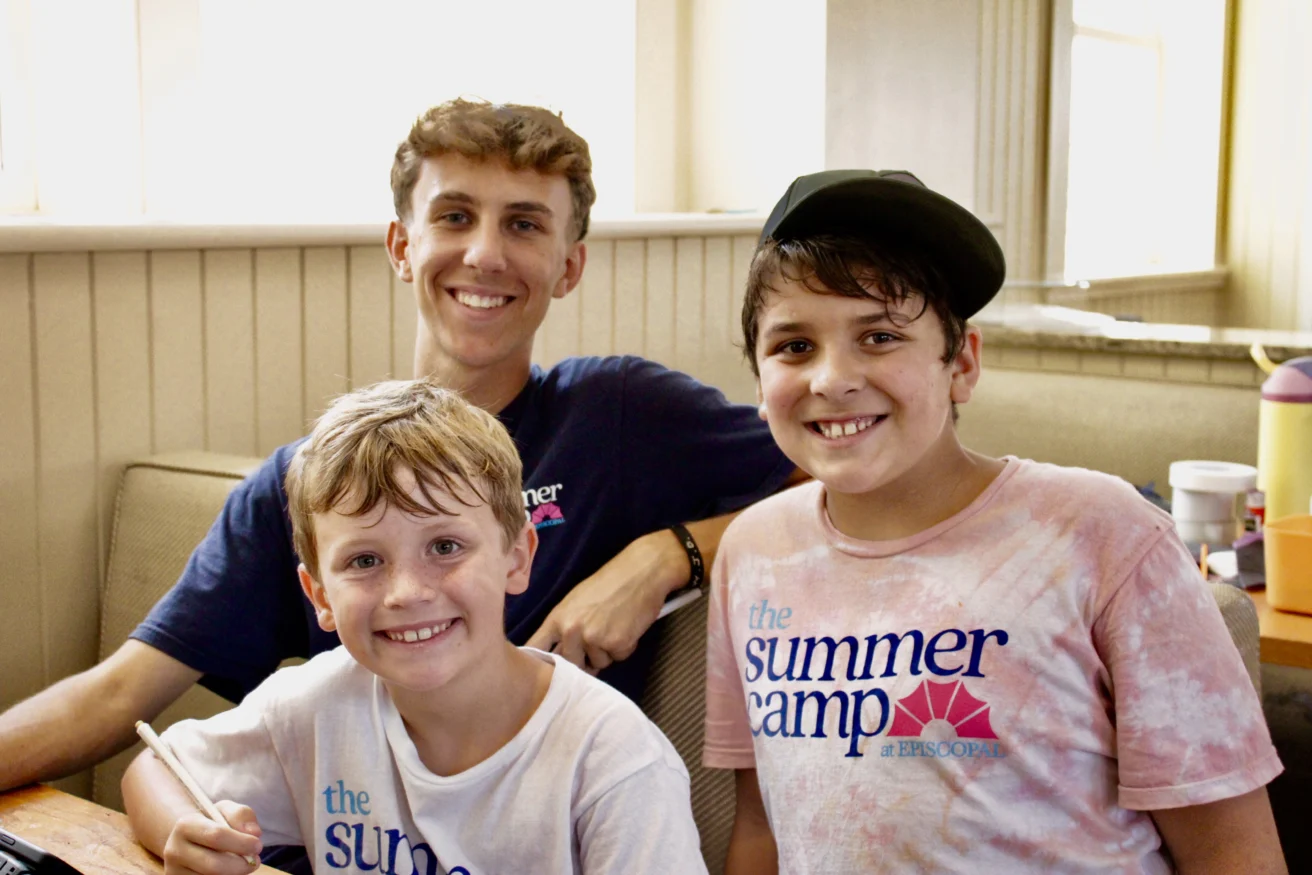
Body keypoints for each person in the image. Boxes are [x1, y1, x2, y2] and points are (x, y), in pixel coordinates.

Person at [0, 99, 794, 792]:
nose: (484, 253)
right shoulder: (307, 481)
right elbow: (117, 697)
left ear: (569, 265)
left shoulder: (617, 415)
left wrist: (666, 554)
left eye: (523, 223)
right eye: (454, 215)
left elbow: (839, 487)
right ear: (400, 245)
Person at [702, 169, 1288, 873]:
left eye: (881, 336)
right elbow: (763, 827)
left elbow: (1234, 850)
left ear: (962, 364)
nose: (832, 377)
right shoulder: (753, 552)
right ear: (759, 384)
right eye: (794, 346)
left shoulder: (1102, 532)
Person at [121, 378, 709, 875]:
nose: (407, 593)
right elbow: (154, 768)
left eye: (446, 546)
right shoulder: (312, 708)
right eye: (365, 561)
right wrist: (190, 832)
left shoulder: (613, 761)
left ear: (517, 558)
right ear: (319, 596)